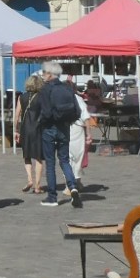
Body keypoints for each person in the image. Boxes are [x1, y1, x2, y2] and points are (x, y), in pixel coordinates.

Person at [37, 60, 83, 208]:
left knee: (50, 163)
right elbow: (77, 111)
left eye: (44, 72)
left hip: (49, 128)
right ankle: (73, 187)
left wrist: (41, 123)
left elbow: (46, 112)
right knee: (64, 160)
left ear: (50, 74)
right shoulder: (67, 88)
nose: (42, 75)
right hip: (64, 128)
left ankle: (52, 197)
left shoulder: (45, 89)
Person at [61, 73, 95, 199]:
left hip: (68, 129)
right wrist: (88, 133)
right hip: (75, 129)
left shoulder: (65, 99)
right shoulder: (77, 99)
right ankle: (75, 183)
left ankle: (71, 184)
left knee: (69, 157)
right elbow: (86, 117)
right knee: (76, 157)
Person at [14, 73, 44, 194]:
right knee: (39, 157)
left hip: (25, 129)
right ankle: (37, 186)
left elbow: (16, 116)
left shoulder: (21, 97)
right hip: (38, 129)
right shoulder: (42, 97)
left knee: (26, 156)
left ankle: (29, 179)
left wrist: (16, 130)